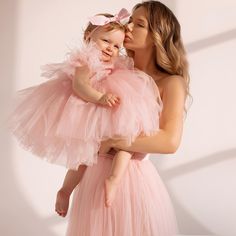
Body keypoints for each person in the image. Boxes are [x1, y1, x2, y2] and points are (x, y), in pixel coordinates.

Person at [8, 8, 162, 209]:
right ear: (89, 36)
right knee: (82, 158)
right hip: (89, 109)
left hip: (110, 111)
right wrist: (100, 97)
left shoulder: (119, 65)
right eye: (106, 41)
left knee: (128, 140)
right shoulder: (84, 62)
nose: (110, 49)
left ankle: (114, 179)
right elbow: (79, 86)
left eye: (116, 46)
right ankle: (65, 191)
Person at [60, 1, 191, 236]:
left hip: (132, 179)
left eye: (138, 24)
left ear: (156, 36)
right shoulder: (114, 70)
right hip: (93, 175)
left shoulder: (171, 83)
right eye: (130, 20)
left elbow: (169, 142)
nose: (128, 27)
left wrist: (112, 142)